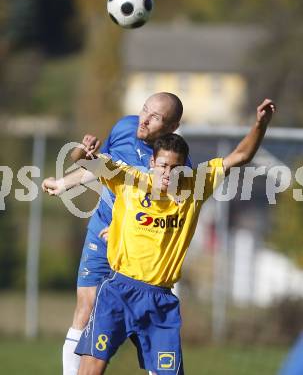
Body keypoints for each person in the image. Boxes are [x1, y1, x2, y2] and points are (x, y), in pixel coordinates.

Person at [42, 98, 275, 375]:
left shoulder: (194, 189)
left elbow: (241, 155)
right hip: (118, 291)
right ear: (152, 162)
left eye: (175, 168)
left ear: (185, 170)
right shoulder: (129, 180)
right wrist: (82, 151)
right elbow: (86, 163)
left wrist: (260, 123)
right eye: (162, 166)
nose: (167, 174)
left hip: (160, 301)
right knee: (90, 368)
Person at [61, 92, 188, 374]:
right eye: (144, 110)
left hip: (134, 250)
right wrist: (77, 161)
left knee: (136, 323)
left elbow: (170, 216)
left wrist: (124, 229)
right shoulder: (124, 127)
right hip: (101, 230)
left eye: (155, 117)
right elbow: (96, 165)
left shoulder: (176, 165)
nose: (144, 120)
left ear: (171, 127)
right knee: (86, 306)